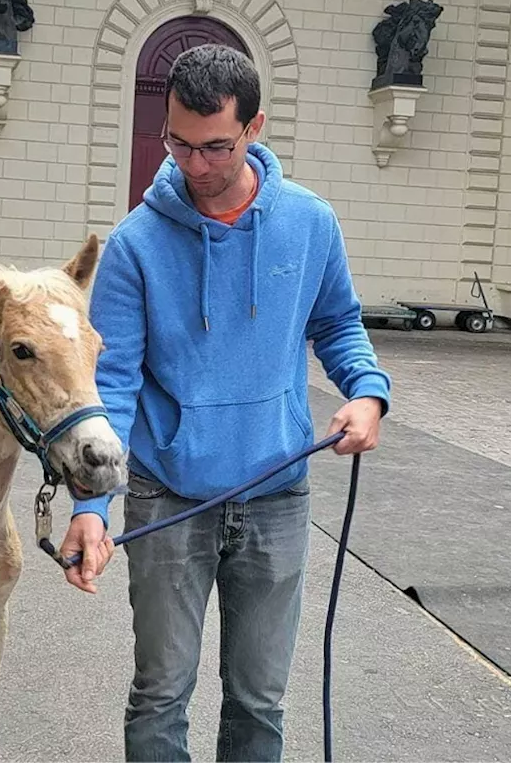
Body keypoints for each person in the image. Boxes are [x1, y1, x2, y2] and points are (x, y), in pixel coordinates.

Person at [59, 43, 392, 762]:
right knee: (160, 695)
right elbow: (110, 385)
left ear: (254, 128)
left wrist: (367, 394)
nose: (194, 163)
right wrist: (90, 508)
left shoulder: (309, 223)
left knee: (259, 702)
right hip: (167, 498)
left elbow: (336, 322)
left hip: (276, 497)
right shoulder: (136, 244)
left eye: (215, 146)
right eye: (178, 142)